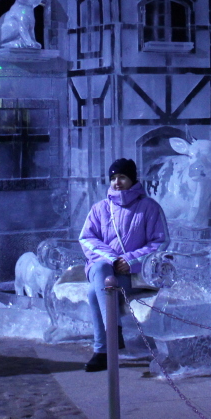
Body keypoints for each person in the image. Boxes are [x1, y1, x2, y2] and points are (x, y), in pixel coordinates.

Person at [78, 157, 167, 373]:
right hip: (104, 269)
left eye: (122, 177)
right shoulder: (100, 208)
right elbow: (87, 238)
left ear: (133, 179)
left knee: (93, 293)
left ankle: (102, 351)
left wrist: (130, 261)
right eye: (113, 178)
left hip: (132, 276)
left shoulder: (149, 208)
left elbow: (160, 242)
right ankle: (113, 331)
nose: (117, 182)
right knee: (100, 269)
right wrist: (112, 259)